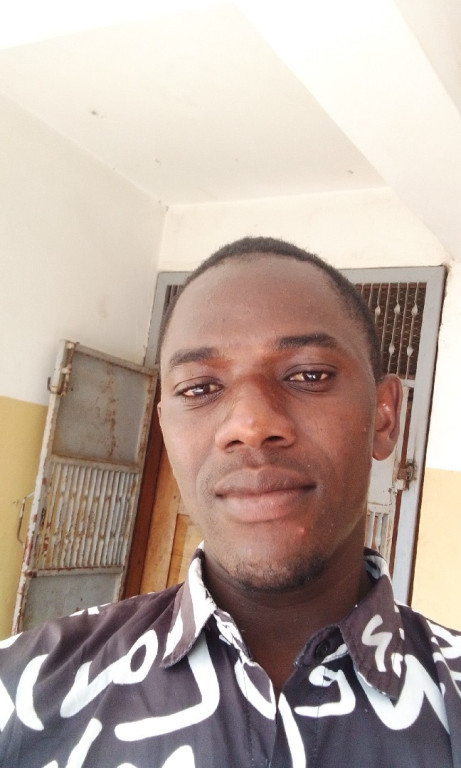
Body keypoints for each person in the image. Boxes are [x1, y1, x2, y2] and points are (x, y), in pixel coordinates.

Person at [1, 237, 460, 768]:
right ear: (166, 430)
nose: (251, 424)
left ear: (384, 417)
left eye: (309, 375)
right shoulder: (27, 688)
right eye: (199, 388)